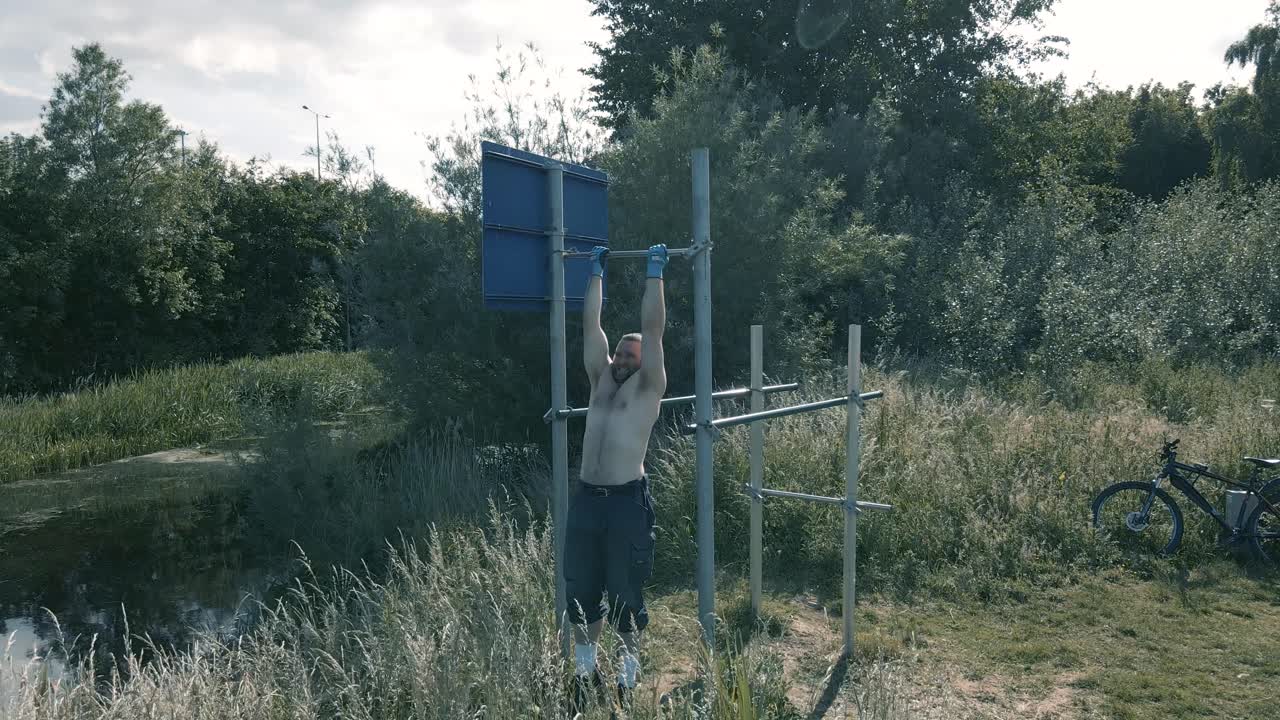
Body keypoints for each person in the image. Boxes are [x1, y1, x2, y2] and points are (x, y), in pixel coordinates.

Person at [565, 242, 668, 704]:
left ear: (646, 362)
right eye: (621, 354)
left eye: (632, 355)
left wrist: (654, 273)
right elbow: (591, 325)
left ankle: (627, 677)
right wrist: (595, 275)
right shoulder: (601, 380)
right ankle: (585, 675)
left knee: (626, 593)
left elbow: (653, 327)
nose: (623, 359)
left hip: (627, 501)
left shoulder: (649, 387)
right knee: (581, 588)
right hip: (587, 498)